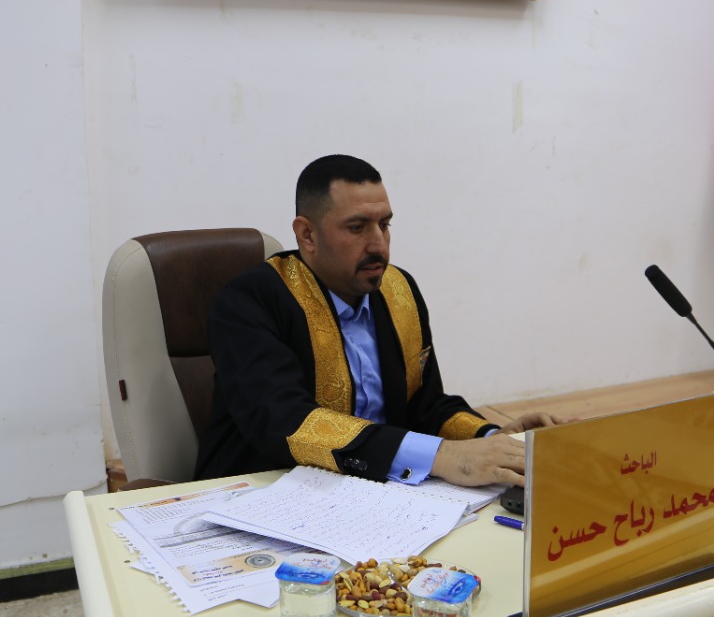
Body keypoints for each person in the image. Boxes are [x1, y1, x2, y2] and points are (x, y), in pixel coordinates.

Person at [194, 155, 563, 487]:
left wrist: (492, 438)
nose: (379, 245)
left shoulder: (399, 290)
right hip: (260, 493)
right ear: (307, 234)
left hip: (375, 494)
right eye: (357, 228)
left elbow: (425, 405)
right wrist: (442, 456)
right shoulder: (249, 301)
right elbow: (287, 422)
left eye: (384, 225)